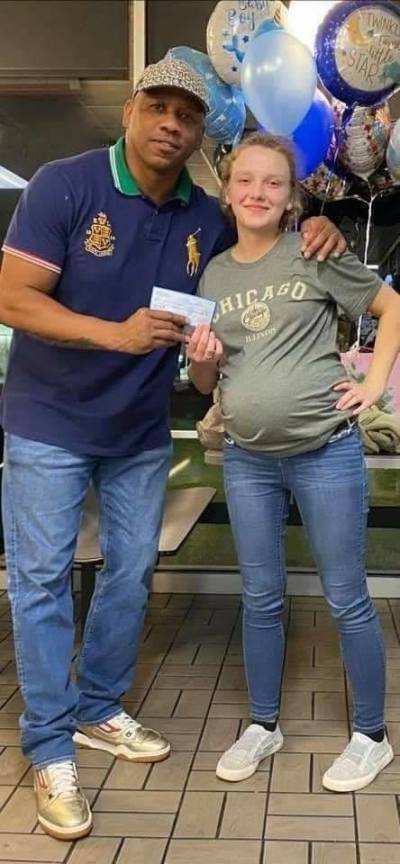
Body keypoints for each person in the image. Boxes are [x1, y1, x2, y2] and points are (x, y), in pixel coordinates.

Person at [0, 58, 345, 840]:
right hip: (49, 422)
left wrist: (315, 220)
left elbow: (268, 234)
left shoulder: (204, 215)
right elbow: (11, 297)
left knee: (131, 574)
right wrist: (113, 335)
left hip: (140, 430)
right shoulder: (66, 183)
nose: (170, 124)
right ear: (130, 110)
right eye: (157, 107)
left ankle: (98, 708)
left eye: (187, 116)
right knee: (44, 580)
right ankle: (50, 745)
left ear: (201, 132)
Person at [188, 132, 400, 793]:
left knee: (346, 598)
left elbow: (391, 307)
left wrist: (373, 387)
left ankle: (372, 735)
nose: (257, 191)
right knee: (260, 598)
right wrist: (200, 357)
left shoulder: (313, 251)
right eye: (245, 180)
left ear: (290, 197)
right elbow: (204, 385)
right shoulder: (214, 275)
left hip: (324, 453)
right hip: (249, 459)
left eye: (273, 183)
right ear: (228, 191)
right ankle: (264, 723)